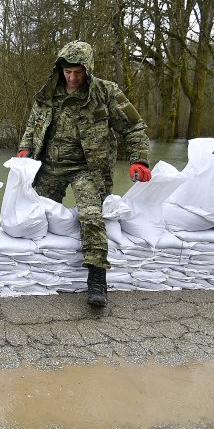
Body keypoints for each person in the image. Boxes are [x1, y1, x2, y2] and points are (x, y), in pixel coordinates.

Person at [17, 40, 151, 307]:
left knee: (91, 216)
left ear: (87, 69)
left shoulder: (106, 93)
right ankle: (37, 270)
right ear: (60, 69)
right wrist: (25, 149)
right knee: (32, 215)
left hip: (88, 168)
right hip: (49, 166)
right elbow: (33, 126)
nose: (73, 77)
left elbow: (135, 128)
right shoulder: (47, 94)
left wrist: (140, 161)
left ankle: (97, 278)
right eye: (68, 71)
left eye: (78, 72)